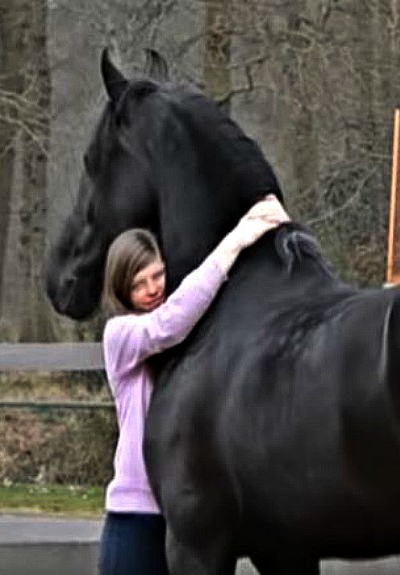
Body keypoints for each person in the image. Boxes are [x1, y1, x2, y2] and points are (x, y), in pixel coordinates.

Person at [96, 194, 290, 575]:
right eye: (139, 284)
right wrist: (237, 239)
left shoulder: (181, 343)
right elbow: (171, 321)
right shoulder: (121, 335)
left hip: (182, 512)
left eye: (157, 275)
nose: (152, 288)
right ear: (121, 290)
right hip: (134, 516)